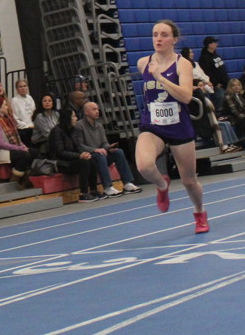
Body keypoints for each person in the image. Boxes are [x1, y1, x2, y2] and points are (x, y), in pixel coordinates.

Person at [134, 20, 209, 234]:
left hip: (178, 126)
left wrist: (160, 77)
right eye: (155, 34)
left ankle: (199, 212)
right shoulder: (143, 63)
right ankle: (162, 185)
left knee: (189, 181)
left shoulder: (182, 64)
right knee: (144, 166)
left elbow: (186, 97)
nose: (158, 39)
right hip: (153, 125)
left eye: (164, 35)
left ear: (174, 39)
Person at [74, 102, 141, 197]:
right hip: (90, 156)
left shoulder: (99, 126)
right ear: (86, 112)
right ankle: (107, 187)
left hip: (101, 154)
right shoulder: (79, 126)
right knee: (100, 155)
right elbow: (79, 145)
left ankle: (127, 183)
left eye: (97, 109)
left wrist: (109, 147)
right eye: (94, 109)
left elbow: (104, 143)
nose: (97, 111)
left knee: (118, 152)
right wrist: (95, 150)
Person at [46, 109, 98, 203]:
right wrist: (79, 156)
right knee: (84, 163)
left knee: (91, 160)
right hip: (61, 163)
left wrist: (84, 154)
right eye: (74, 116)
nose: (76, 118)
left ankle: (94, 191)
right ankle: (83, 194)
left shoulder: (73, 130)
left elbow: (77, 146)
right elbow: (60, 152)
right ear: (67, 118)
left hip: (72, 159)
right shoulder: (56, 131)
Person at [0, 96, 33, 187]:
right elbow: (0, 144)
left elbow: (17, 138)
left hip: (8, 149)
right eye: (5, 105)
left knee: (33, 152)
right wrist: (19, 148)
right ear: (0, 108)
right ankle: (15, 180)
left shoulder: (8, 120)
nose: (7, 107)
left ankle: (24, 178)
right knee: (24, 155)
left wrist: (23, 146)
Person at [198, 36, 229, 111]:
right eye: (214, 42)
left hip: (224, 84)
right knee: (220, 98)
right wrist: (215, 83)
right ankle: (217, 115)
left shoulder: (217, 55)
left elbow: (222, 70)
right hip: (216, 86)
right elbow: (207, 73)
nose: (216, 44)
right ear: (209, 45)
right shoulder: (204, 58)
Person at [10, 79, 36, 146]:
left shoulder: (30, 98)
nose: (23, 88)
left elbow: (34, 112)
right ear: (17, 89)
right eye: (20, 87)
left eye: (24, 86)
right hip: (23, 128)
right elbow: (14, 118)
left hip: (32, 125)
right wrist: (25, 126)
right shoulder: (14, 100)